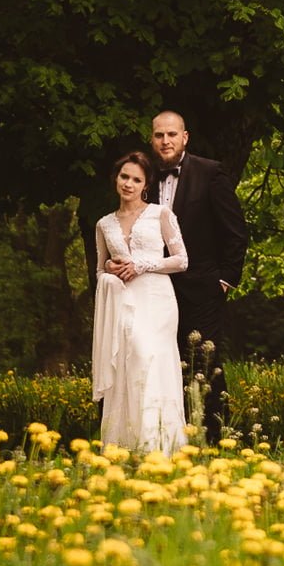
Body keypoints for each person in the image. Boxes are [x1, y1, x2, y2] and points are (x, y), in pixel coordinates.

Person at [148, 110, 248, 443]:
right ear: (153, 139)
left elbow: (235, 231)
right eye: (159, 135)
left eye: (172, 135)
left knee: (204, 364)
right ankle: (169, 439)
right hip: (154, 290)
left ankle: (217, 440)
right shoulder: (142, 176)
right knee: (159, 363)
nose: (166, 141)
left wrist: (225, 280)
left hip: (202, 288)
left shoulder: (210, 173)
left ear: (184, 137)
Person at [91, 150, 189, 453]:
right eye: (124, 177)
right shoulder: (104, 224)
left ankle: (158, 446)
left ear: (145, 184)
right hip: (124, 300)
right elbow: (98, 269)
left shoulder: (161, 214)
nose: (129, 184)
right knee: (129, 362)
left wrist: (141, 265)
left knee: (150, 359)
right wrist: (109, 270)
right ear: (116, 179)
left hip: (157, 299)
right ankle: (126, 445)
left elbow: (182, 260)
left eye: (136, 179)